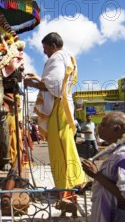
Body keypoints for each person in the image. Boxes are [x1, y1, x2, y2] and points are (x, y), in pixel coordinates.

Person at [24, 32, 85, 191]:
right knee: (67, 145)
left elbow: (55, 87)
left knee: (59, 148)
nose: (44, 52)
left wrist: (33, 83)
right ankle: (76, 182)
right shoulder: (69, 57)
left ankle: (65, 188)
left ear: (53, 46)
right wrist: (38, 79)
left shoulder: (57, 57)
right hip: (64, 108)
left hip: (58, 108)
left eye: (45, 48)